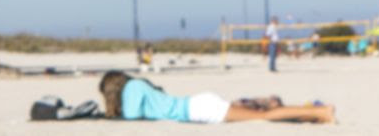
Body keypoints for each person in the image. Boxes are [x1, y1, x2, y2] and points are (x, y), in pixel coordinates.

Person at [97, 72, 332, 124]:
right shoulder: (136, 86)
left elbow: (133, 116)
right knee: (259, 114)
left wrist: (114, 113)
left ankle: (320, 112)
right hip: (197, 105)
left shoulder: (133, 88)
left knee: (262, 117)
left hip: (198, 109)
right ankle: (312, 114)